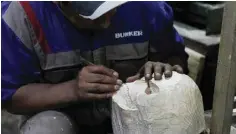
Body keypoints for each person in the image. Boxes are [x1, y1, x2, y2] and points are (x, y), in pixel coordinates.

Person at [1, 1, 189, 134]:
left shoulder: (147, 7)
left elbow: (176, 59)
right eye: (95, 15)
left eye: (114, 7)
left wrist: (164, 69)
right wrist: (72, 90)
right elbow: (10, 96)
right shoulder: (22, 16)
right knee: (47, 128)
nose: (108, 20)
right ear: (61, 3)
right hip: (63, 118)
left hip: (136, 117)